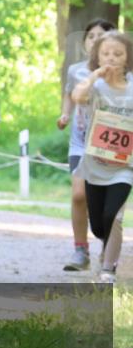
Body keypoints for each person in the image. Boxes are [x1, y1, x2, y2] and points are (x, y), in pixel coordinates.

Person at [71, 30, 133, 282]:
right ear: (97, 56)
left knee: (113, 215)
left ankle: (109, 268)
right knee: (98, 224)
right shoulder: (94, 85)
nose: (112, 58)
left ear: (127, 57)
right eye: (106, 53)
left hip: (124, 164)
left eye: (118, 54)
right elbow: (78, 97)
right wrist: (95, 75)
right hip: (94, 163)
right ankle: (106, 246)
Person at [59, 19, 116, 271]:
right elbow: (69, 94)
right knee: (79, 195)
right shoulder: (76, 70)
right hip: (80, 144)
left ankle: (107, 246)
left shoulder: (123, 73)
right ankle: (80, 251)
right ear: (84, 43)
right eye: (90, 36)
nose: (94, 39)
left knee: (104, 203)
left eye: (100, 36)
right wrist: (64, 115)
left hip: (109, 147)